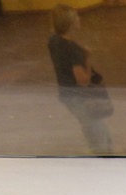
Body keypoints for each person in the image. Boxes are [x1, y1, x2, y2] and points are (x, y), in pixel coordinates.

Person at [47, 4, 112, 154]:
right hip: (81, 99)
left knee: (98, 130)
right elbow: (83, 81)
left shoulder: (54, 41)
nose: (79, 19)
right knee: (97, 135)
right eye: (76, 17)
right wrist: (87, 58)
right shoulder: (72, 50)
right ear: (70, 23)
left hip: (67, 94)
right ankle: (102, 162)